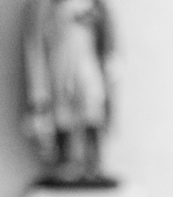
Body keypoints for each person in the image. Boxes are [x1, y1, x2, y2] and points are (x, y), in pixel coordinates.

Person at [22, 0, 115, 186]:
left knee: (92, 112)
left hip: (87, 65)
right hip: (60, 66)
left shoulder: (94, 5)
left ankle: (93, 163)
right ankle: (65, 164)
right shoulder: (47, 6)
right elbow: (37, 44)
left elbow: (107, 40)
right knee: (62, 116)